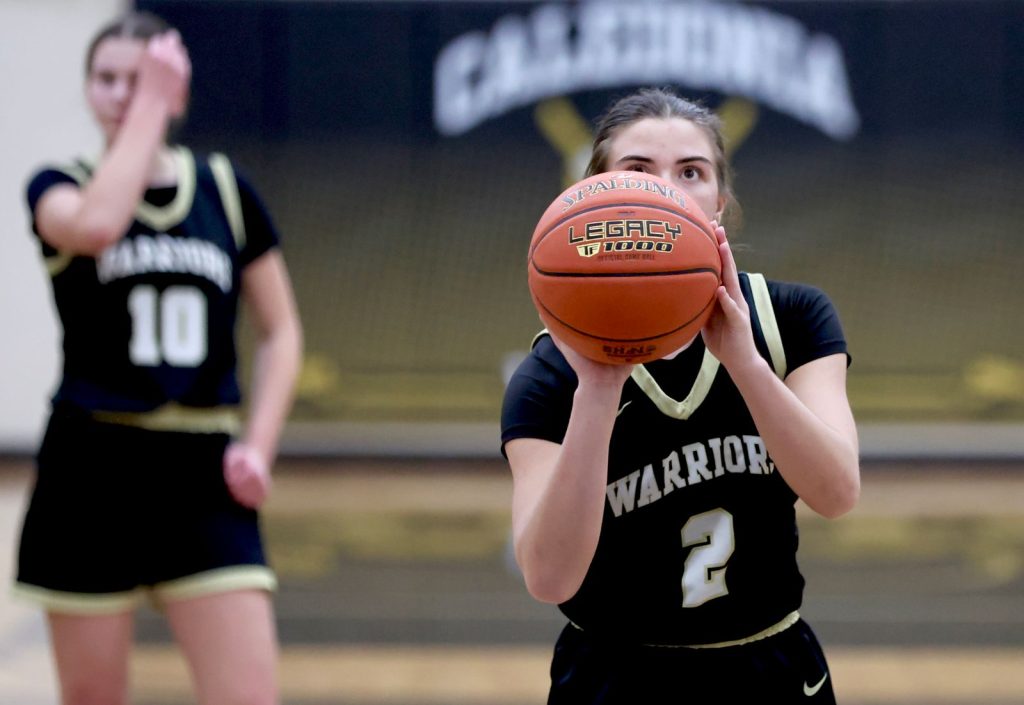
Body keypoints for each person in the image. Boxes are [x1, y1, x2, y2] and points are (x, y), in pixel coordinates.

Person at [501, 87, 859, 703]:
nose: (665, 190)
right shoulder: (551, 373)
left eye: (690, 172)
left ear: (720, 203)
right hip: (614, 674)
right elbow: (548, 575)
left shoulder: (792, 320)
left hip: (767, 668)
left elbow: (836, 493)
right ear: (593, 196)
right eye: (637, 170)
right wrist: (599, 386)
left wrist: (743, 362)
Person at [13, 12, 302, 705]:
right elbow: (98, 226)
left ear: (174, 89)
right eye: (105, 79)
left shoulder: (226, 189)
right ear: (88, 91)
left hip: (202, 468)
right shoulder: (59, 184)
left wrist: (258, 448)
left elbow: (281, 331)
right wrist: (152, 106)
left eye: (136, 80)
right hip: (89, 467)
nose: (120, 93)